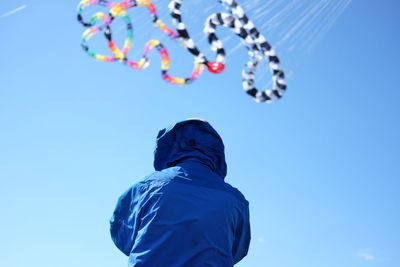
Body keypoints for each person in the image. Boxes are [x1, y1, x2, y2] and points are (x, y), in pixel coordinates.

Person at [110, 119, 250, 266]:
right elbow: (236, 250)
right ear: (216, 152)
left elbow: (122, 232)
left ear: (168, 146)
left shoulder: (146, 186)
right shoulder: (236, 200)